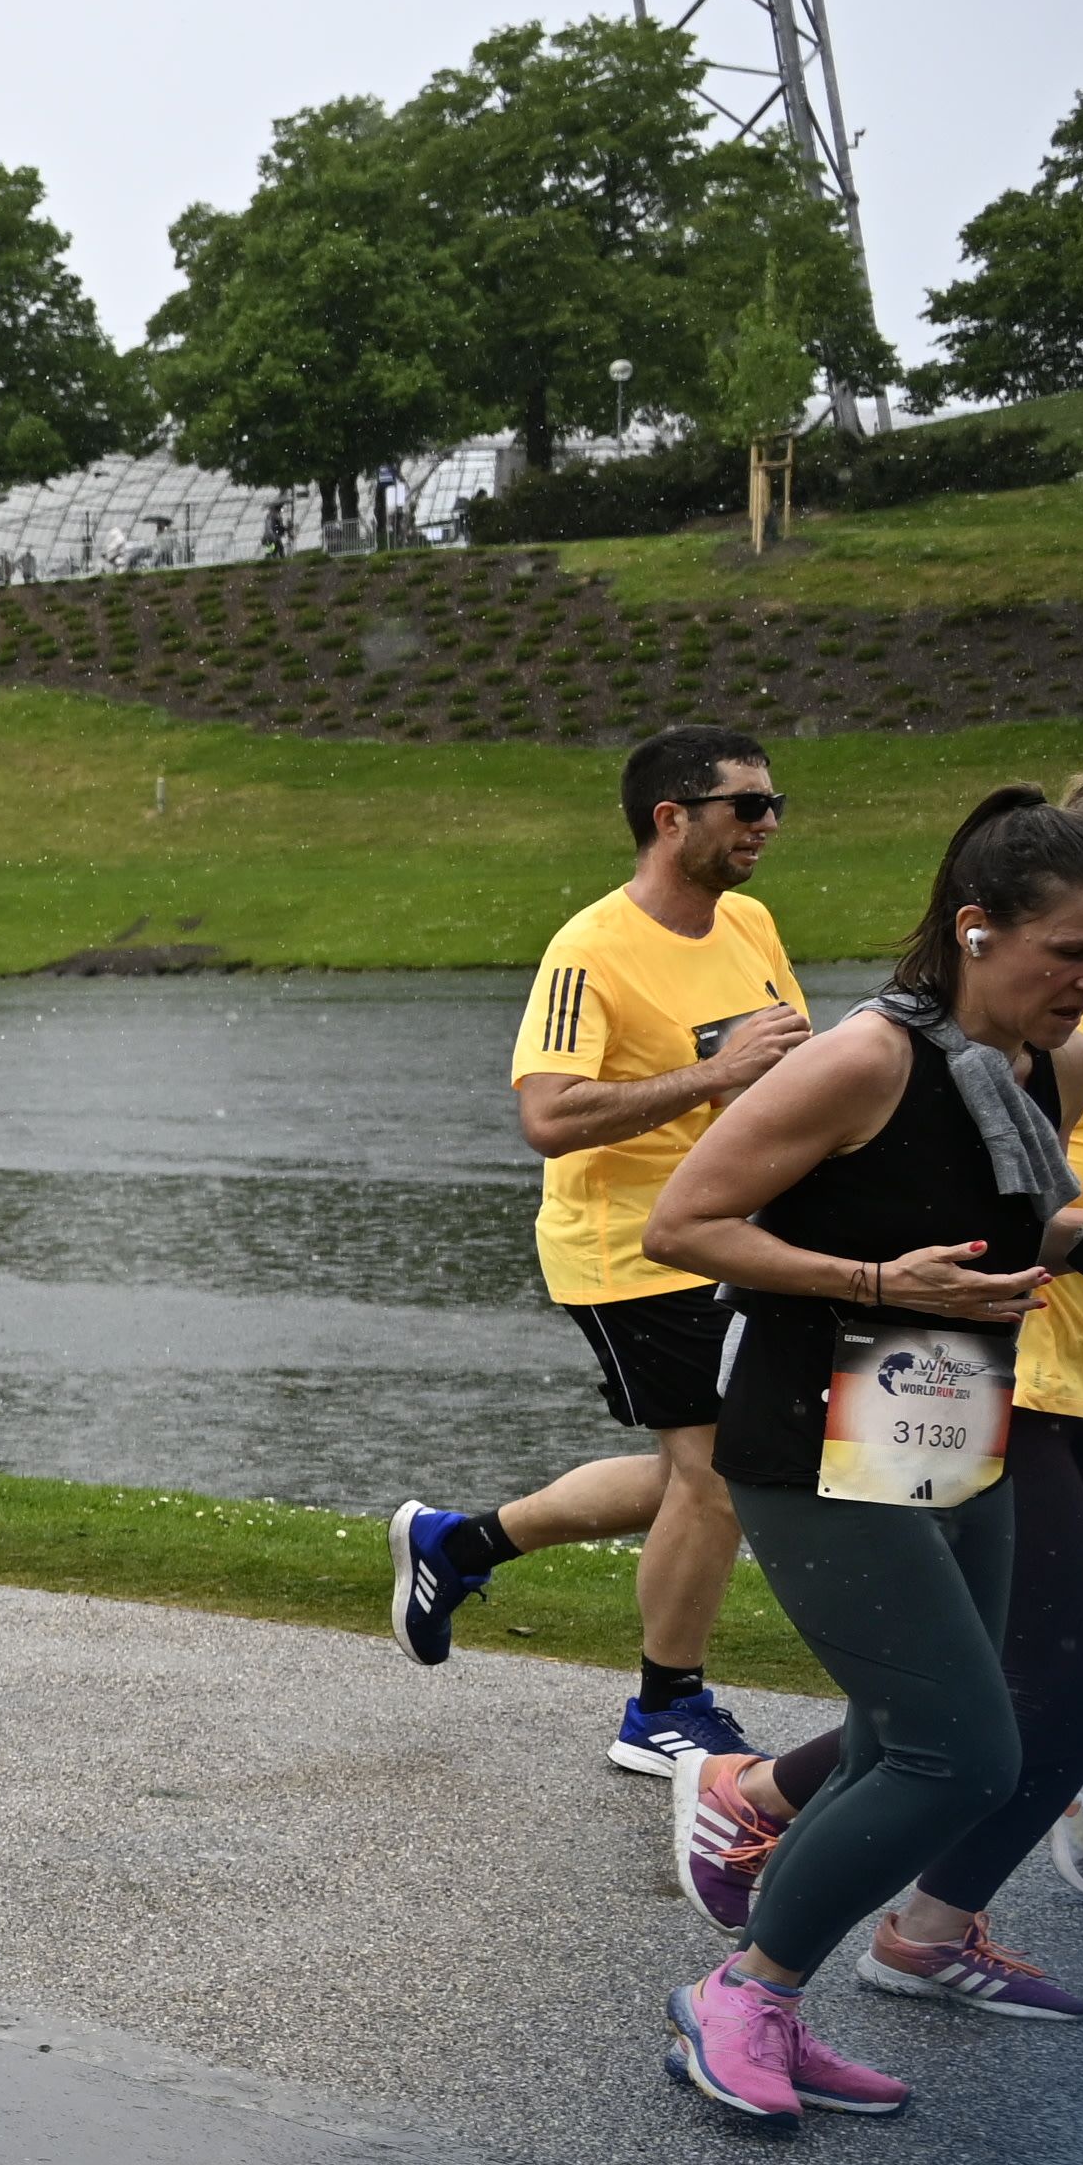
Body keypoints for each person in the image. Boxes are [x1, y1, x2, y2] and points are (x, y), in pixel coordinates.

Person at [634, 789, 1083, 2124]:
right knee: (967, 1754)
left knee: (908, 1735)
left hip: (949, 1420)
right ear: (978, 928)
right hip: (812, 1435)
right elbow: (683, 1225)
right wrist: (880, 1281)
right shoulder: (866, 1059)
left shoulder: (1032, 1066)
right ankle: (743, 1993)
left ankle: (766, 2004)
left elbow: (1006, 1222)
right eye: (1070, 951)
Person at [382, 726, 804, 1773]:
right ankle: (663, 1708)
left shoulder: (749, 923)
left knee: (708, 1471)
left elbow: (789, 1074)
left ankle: (459, 1544)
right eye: (747, 806)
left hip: (737, 1236)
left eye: (774, 805)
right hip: (631, 1249)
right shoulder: (590, 950)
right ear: (672, 818)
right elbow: (550, 1116)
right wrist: (712, 1076)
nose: (768, 824)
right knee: (718, 1474)